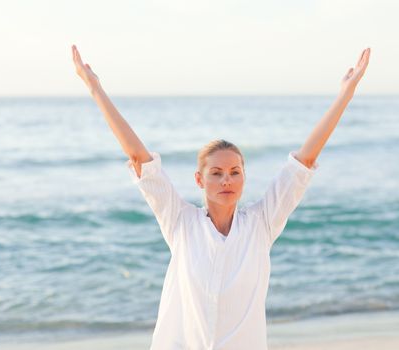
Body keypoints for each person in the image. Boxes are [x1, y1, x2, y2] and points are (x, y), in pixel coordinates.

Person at [72, 44, 370, 349]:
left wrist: (346, 92)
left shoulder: (261, 224)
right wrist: (94, 87)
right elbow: (139, 157)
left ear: (243, 177)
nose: (226, 179)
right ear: (200, 180)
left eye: (234, 172)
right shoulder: (180, 222)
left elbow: (304, 161)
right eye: (216, 173)